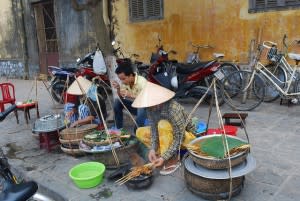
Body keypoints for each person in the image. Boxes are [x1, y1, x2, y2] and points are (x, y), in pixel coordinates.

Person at [133, 81, 196, 175]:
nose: (147, 107)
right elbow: (154, 130)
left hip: (186, 138)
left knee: (162, 124)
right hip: (166, 136)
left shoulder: (173, 109)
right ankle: (161, 154)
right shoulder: (151, 109)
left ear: (158, 101)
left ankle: (172, 159)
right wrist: (153, 149)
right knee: (140, 131)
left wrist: (164, 157)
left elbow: (180, 137)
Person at [112, 61, 147, 129]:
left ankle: (137, 130)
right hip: (135, 107)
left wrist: (131, 95)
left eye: (123, 79)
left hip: (146, 109)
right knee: (117, 102)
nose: (122, 81)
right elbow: (121, 97)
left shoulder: (142, 82)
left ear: (131, 75)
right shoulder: (125, 83)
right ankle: (118, 129)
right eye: (120, 79)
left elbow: (147, 100)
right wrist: (118, 89)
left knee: (141, 107)